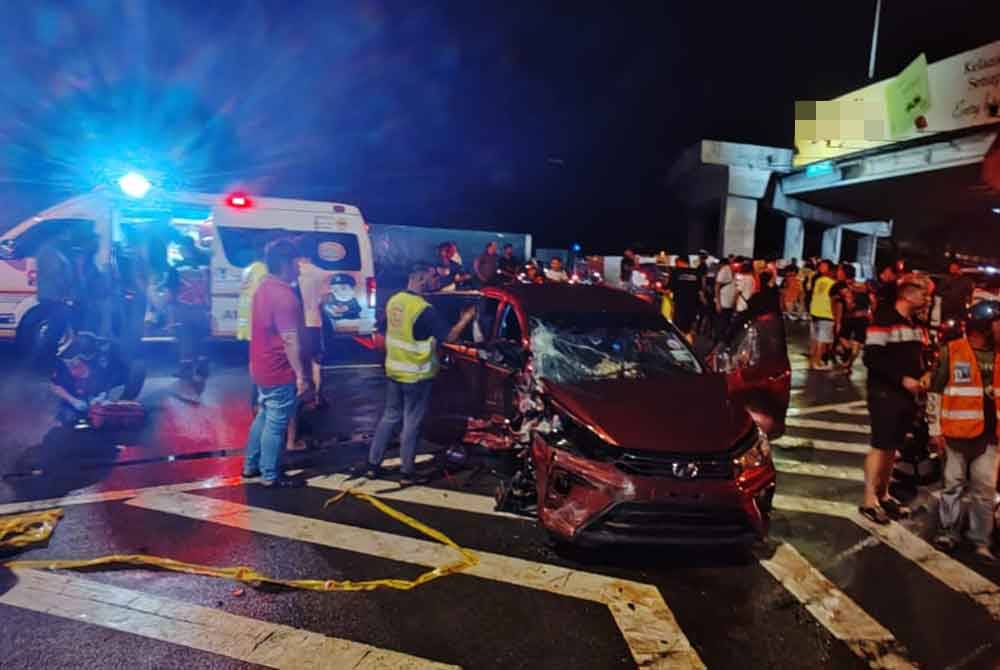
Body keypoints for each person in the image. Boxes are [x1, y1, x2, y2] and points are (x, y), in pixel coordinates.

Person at [365, 264, 477, 484]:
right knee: (412, 423)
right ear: (422, 278)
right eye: (434, 276)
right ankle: (407, 472)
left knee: (389, 417)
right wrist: (466, 318)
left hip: (394, 370)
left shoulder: (394, 301)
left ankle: (372, 465)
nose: (437, 280)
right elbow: (449, 338)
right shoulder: (424, 309)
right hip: (416, 375)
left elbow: (385, 330)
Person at [925, 298, 1000, 563]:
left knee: (985, 489)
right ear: (982, 326)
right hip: (955, 434)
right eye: (997, 323)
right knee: (952, 485)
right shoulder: (952, 351)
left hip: (990, 437)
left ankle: (981, 541)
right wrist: (934, 429)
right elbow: (935, 392)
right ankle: (947, 532)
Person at [860, 276, 930, 524]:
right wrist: (902, 380)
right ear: (907, 295)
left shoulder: (917, 324)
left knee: (893, 447)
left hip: (907, 396)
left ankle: (884, 493)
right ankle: (869, 500)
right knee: (881, 444)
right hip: (884, 393)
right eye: (924, 295)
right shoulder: (884, 320)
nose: (927, 300)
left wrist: (925, 376)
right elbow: (871, 358)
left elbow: (921, 356)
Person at [242, 239, 312, 488]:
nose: (300, 268)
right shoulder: (285, 297)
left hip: (260, 363)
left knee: (264, 414)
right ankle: (270, 474)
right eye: (297, 262)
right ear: (287, 263)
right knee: (277, 421)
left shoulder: (263, 288)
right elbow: (290, 340)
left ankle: (250, 465)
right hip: (278, 367)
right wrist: (301, 375)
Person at [166, 236, 211, 397]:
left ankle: (186, 371)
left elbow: (171, 292)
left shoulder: (176, 268)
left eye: (180, 248)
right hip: (202, 309)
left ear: (185, 249)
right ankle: (202, 368)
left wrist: (170, 317)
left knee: (186, 340)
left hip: (184, 309)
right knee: (202, 339)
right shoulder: (205, 267)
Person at [237, 241, 270, 412]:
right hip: (257, 324)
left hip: (247, 324)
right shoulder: (262, 271)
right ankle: (258, 402)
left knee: (254, 363)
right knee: (262, 366)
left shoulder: (249, 269)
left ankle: (256, 402)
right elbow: (263, 298)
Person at [837, 264, 872, 376]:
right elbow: (872, 301)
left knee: (842, 337)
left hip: (850, 317)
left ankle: (849, 353)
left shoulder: (844, 287)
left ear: (844, 273)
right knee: (857, 342)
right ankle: (849, 364)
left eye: (840, 271)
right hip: (863, 318)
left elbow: (849, 304)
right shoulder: (863, 286)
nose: (838, 273)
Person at [808, 260, 836, 370]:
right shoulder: (832, 283)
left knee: (815, 338)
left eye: (823, 266)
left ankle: (813, 361)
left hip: (815, 312)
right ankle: (817, 363)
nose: (821, 268)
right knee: (822, 340)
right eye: (821, 266)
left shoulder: (818, 280)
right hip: (826, 313)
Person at [667, 257, 700, 340]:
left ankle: (681, 345)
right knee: (688, 329)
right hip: (693, 305)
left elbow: (669, 289)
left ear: (680, 262)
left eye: (676, 263)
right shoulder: (696, 272)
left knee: (678, 329)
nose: (675, 265)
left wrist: (658, 289)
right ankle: (690, 346)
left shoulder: (676, 272)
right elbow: (700, 288)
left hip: (680, 305)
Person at [714, 257, 739, 341]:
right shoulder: (725, 269)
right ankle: (717, 344)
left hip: (729, 303)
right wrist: (718, 303)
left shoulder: (736, 271)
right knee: (721, 325)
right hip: (723, 302)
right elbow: (717, 286)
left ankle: (721, 342)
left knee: (726, 324)